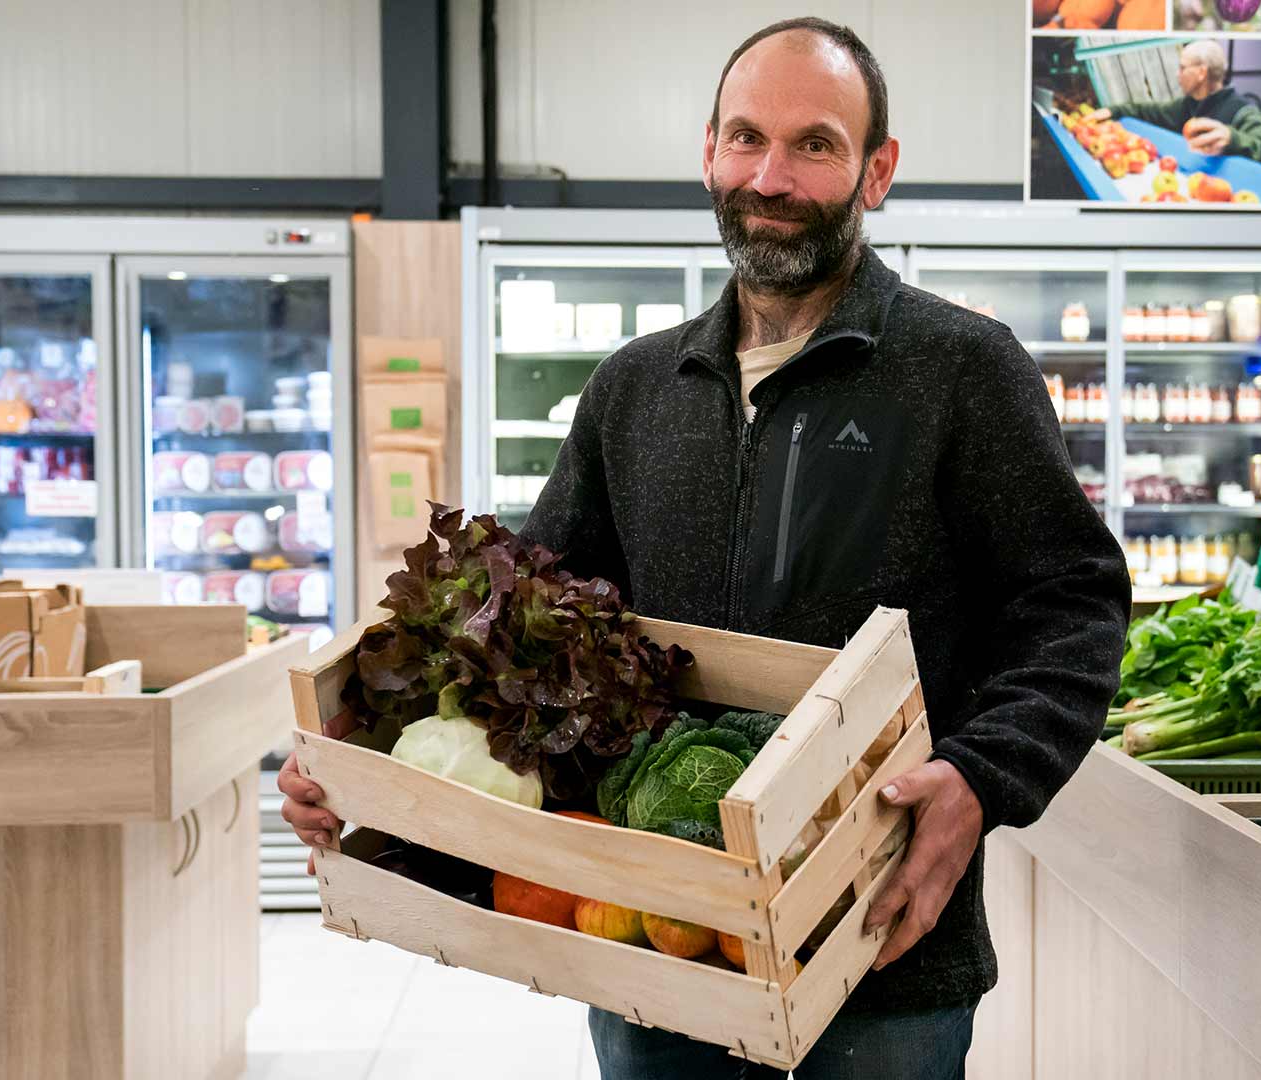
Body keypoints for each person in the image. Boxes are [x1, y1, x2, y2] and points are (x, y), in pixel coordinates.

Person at [281, 15, 1129, 1079]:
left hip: (881, 954)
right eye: (745, 139)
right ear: (709, 154)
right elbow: (518, 628)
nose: (770, 176)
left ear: (878, 171)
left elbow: (1074, 603)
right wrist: (366, 761)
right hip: (650, 945)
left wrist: (979, 775)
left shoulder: (964, 371)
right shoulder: (635, 390)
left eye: (815, 144)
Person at [1088, 40, 1261, 170]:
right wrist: (1113, 111)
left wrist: (1234, 140)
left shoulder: (1241, 111)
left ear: (1201, 73)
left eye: (1182, 68)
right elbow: (1146, 111)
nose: (1178, 75)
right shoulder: (1187, 106)